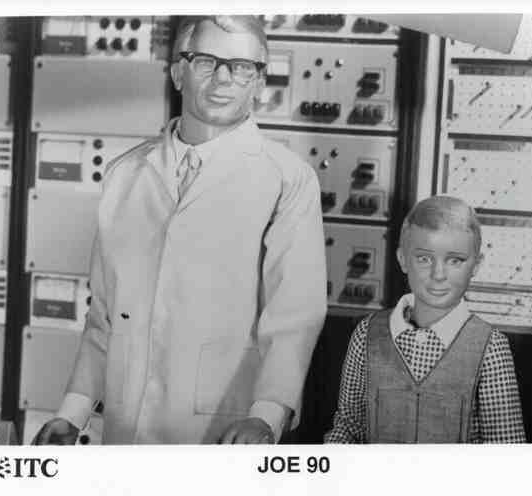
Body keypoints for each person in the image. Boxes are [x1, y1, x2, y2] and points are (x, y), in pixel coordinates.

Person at [33, 15, 327, 445]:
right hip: (125, 425)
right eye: (206, 61)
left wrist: (266, 416)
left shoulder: (288, 180)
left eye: (242, 67)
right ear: (177, 73)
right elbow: (105, 317)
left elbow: (293, 320)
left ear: (260, 83)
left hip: (224, 431)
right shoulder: (124, 174)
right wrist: (72, 413)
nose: (223, 78)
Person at [324, 195, 526, 443]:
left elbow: (506, 449)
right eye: (424, 259)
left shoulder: (491, 348)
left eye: (455, 260)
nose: (438, 274)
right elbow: (349, 427)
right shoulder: (366, 334)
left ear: (476, 265)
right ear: (402, 259)